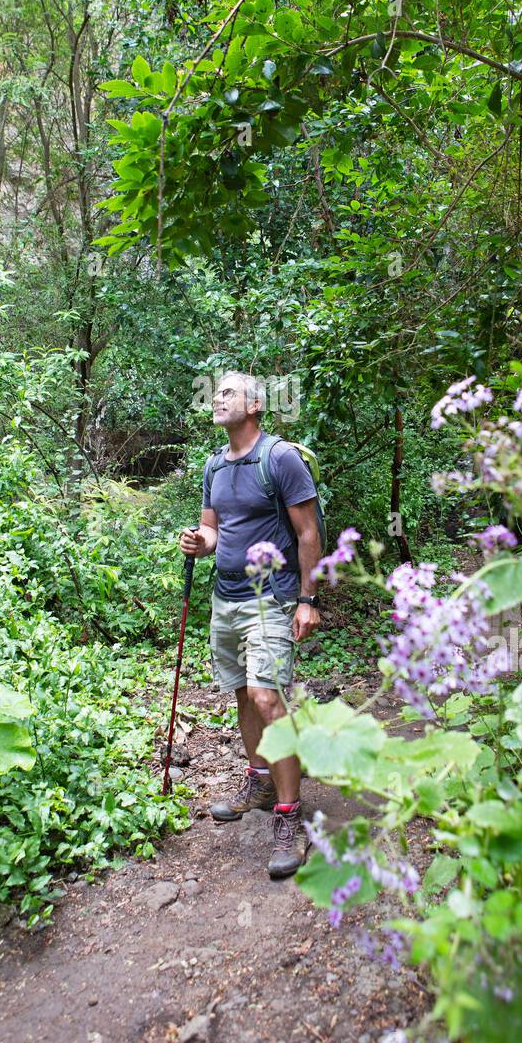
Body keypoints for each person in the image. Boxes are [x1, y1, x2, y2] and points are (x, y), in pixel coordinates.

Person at [179, 371, 322, 878]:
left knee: (268, 698)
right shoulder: (214, 465)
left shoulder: (281, 458)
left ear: (256, 404)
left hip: (273, 598)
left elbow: (308, 532)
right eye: (214, 392)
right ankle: (259, 781)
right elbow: (215, 530)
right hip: (227, 597)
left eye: (228, 392)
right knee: (243, 694)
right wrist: (201, 542)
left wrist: (307, 599)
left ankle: (290, 815)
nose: (216, 398)